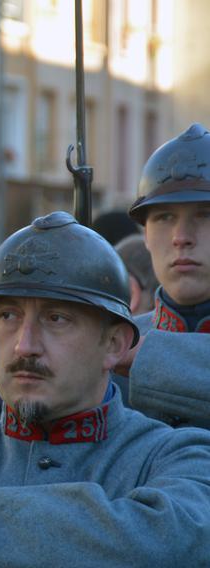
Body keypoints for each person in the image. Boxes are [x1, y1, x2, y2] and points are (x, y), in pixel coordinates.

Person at [0, 212, 210, 566]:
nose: (25, 345)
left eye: (56, 318)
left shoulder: (175, 455)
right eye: (8, 317)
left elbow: (177, 540)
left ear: (114, 344)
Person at [118, 123, 210, 429]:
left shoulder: (118, 351)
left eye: (205, 215)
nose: (181, 237)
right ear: (145, 235)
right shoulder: (115, 344)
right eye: (164, 217)